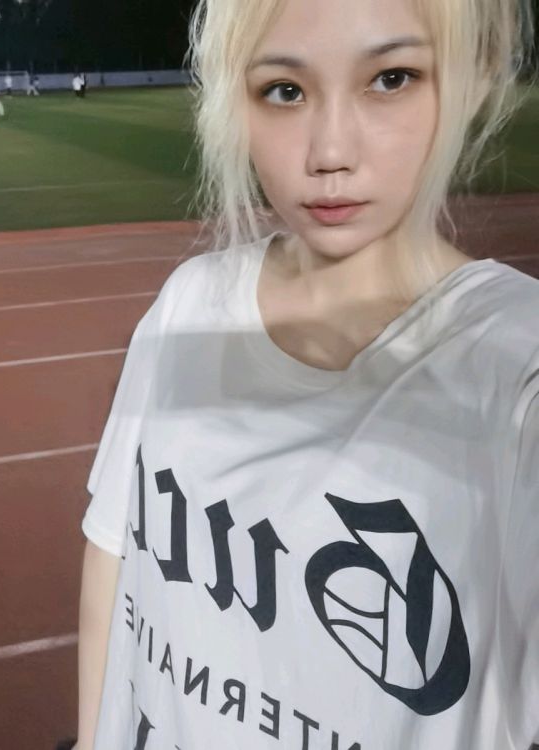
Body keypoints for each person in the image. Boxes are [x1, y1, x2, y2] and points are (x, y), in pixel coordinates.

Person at [72, 0, 538, 749]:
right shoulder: (188, 305)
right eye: (284, 91)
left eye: (392, 78)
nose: (329, 153)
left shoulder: (519, 370)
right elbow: (112, 556)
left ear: (477, 74)